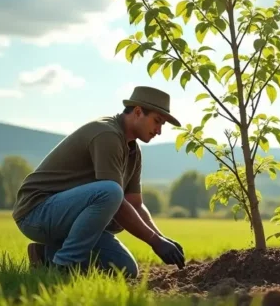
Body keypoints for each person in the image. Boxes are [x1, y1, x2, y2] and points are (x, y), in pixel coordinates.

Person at [12, 86, 186, 278]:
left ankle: (45, 255)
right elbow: (116, 201)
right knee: (110, 191)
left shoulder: (133, 151)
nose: (159, 131)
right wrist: (154, 241)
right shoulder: (107, 135)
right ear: (137, 112)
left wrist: (161, 238)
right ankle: (63, 266)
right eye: (157, 121)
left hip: (67, 217)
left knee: (125, 270)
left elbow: (136, 203)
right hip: (37, 213)